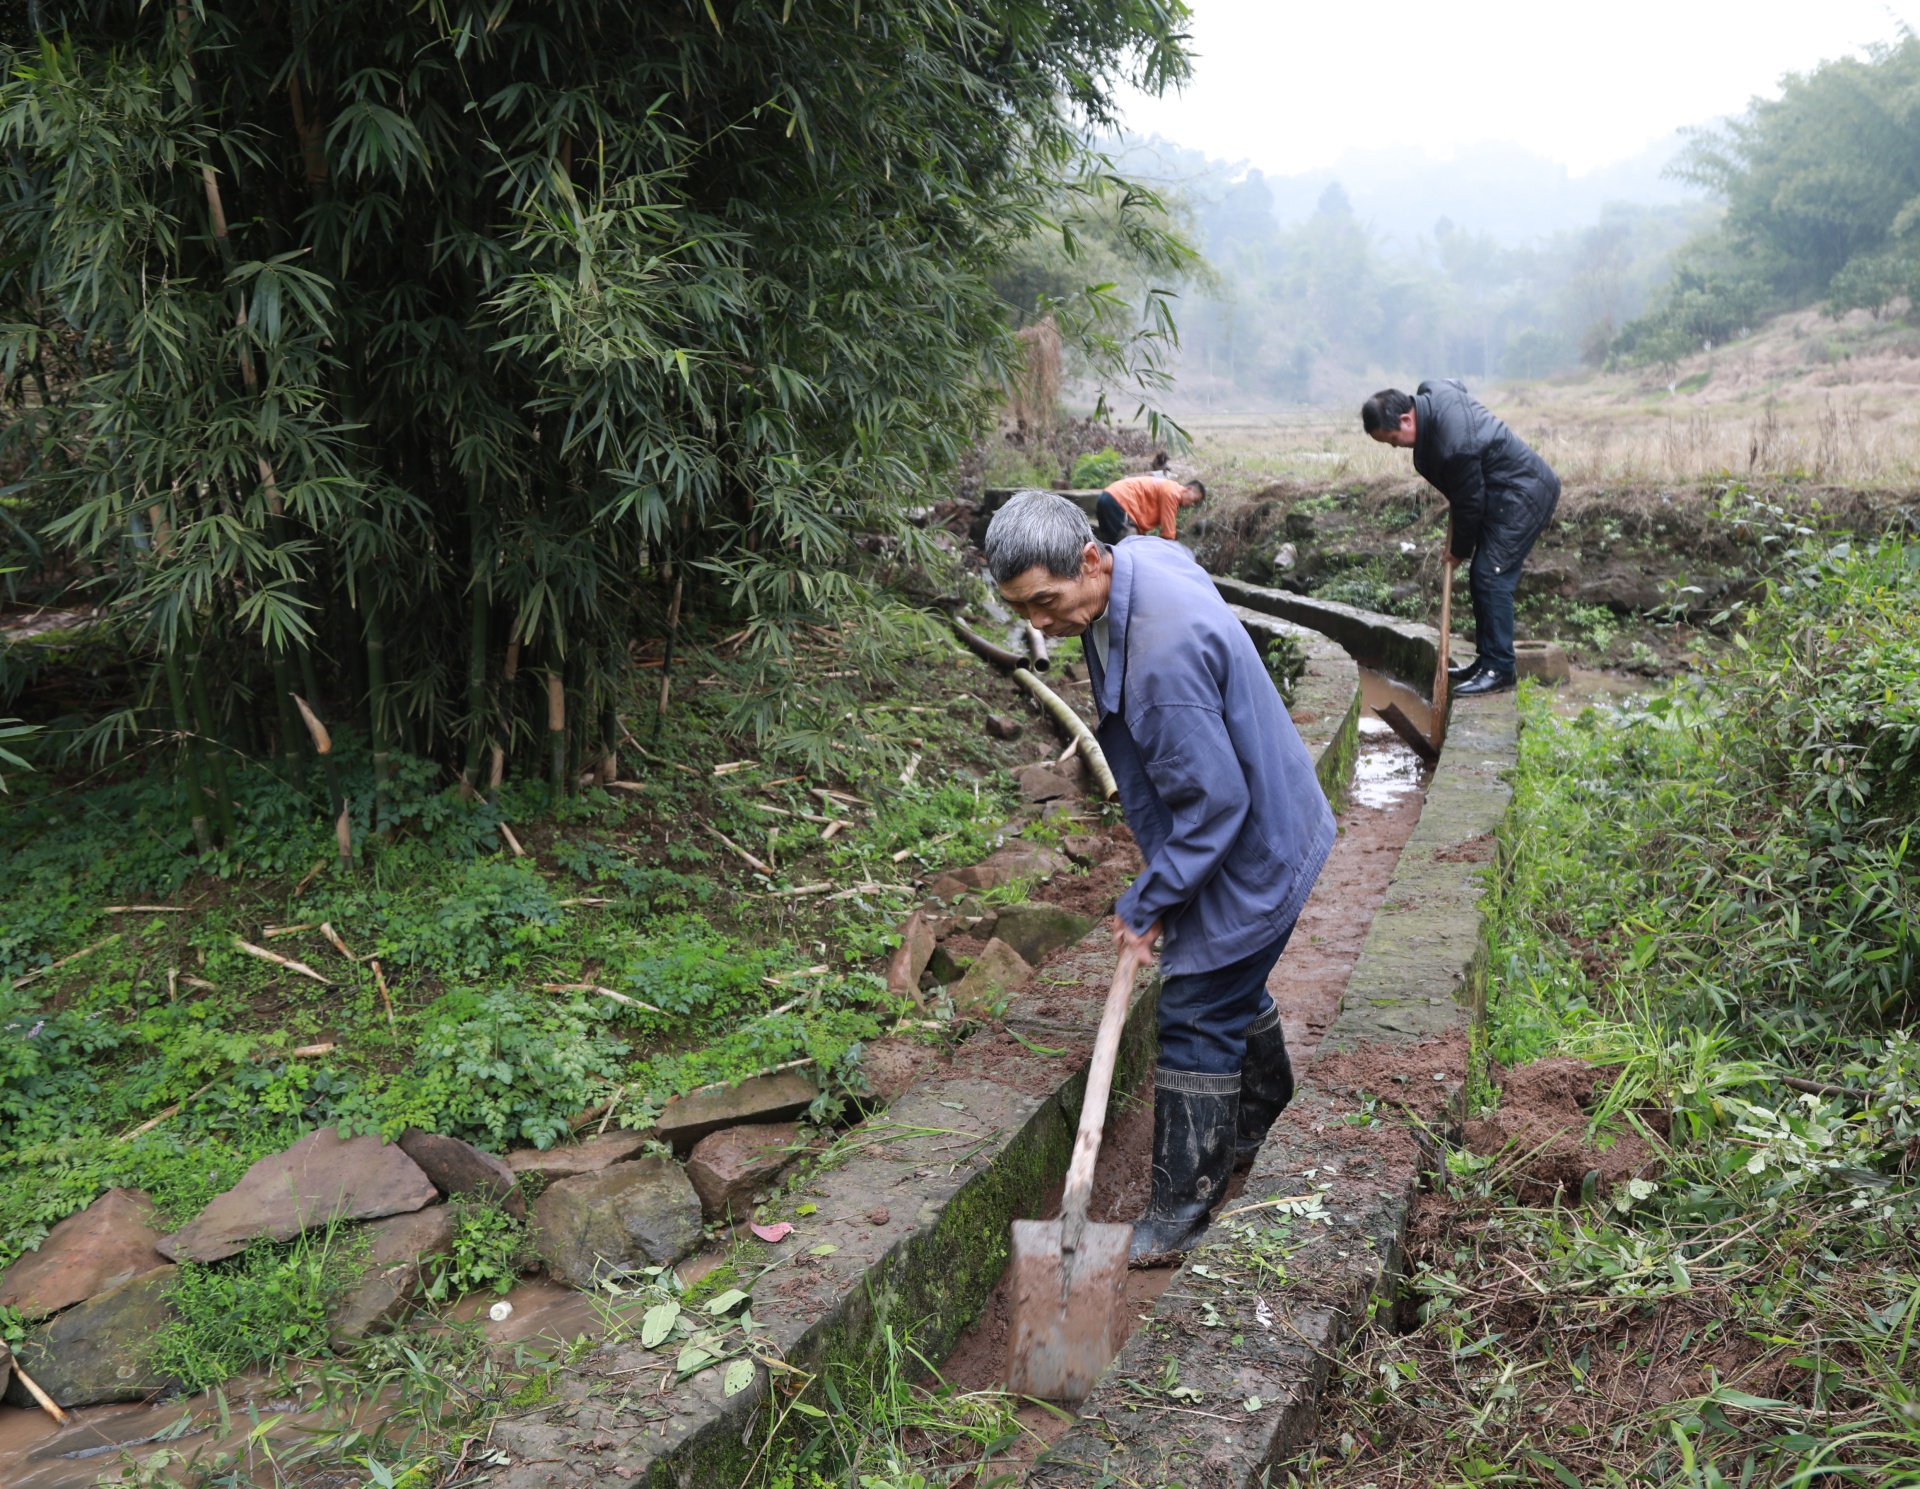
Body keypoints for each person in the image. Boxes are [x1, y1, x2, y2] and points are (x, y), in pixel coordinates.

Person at [983, 490, 1334, 1262]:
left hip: (1251, 837)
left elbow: (1214, 805)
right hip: (1263, 809)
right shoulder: (1140, 562)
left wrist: (1147, 900)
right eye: (1022, 611)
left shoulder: (1162, 661)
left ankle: (1180, 1207)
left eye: (1047, 601)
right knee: (1228, 974)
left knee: (1197, 1008)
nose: (1040, 625)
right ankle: (1260, 1114)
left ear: (1089, 558)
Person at [1361, 381, 1559, 696]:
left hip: (1524, 492)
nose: (1396, 447)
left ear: (1407, 420)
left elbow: (1470, 504)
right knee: (1484, 573)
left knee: (1490, 575)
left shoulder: (1454, 446)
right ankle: (1486, 661)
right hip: (1502, 489)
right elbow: (1456, 385)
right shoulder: (1432, 392)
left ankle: (1500, 669)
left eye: (1394, 440)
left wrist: (1457, 551)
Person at [1094, 473, 1206, 546]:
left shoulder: (1168, 487)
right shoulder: (1172, 492)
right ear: (1189, 489)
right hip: (1118, 501)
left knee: (1109, 548)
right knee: (1130, 547)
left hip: (1108, 497)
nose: (1192, 504)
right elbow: (1168, 533)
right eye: (1194, 500)